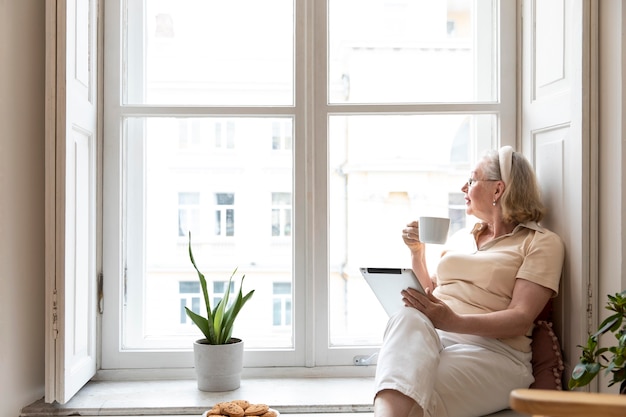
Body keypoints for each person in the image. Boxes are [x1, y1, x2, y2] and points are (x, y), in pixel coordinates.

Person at [373, 146, 565, 417]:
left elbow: (521, 318)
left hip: (495, 353)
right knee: (406, 319)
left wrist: (451, 321)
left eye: (472, 180)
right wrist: (417, 252)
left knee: (408, 391)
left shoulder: (540, 242)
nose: (464, 187)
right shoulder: (463, 237)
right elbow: (430, 294)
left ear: (498, 190)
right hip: (436, 340)